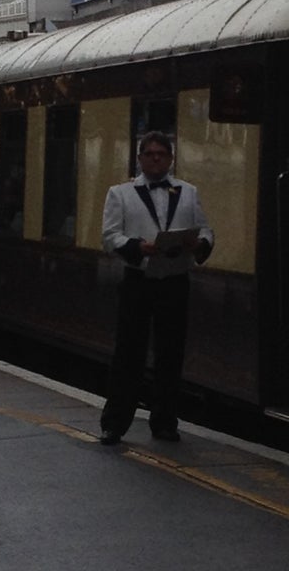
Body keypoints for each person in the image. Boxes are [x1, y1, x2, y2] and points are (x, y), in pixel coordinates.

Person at [100, 131, 214, 445]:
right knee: (128, 353)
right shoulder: (120, 193)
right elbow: (110, 236)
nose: (155, 159)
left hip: (175, 280)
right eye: (149, 154)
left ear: (170, 159)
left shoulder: (188, 192)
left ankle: (164, 422)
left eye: (161, 154)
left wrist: (200, 242)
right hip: (138, 280)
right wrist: (137, 247)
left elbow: (205, 227)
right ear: (139, 158)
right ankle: (115, 423)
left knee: (170, 354)